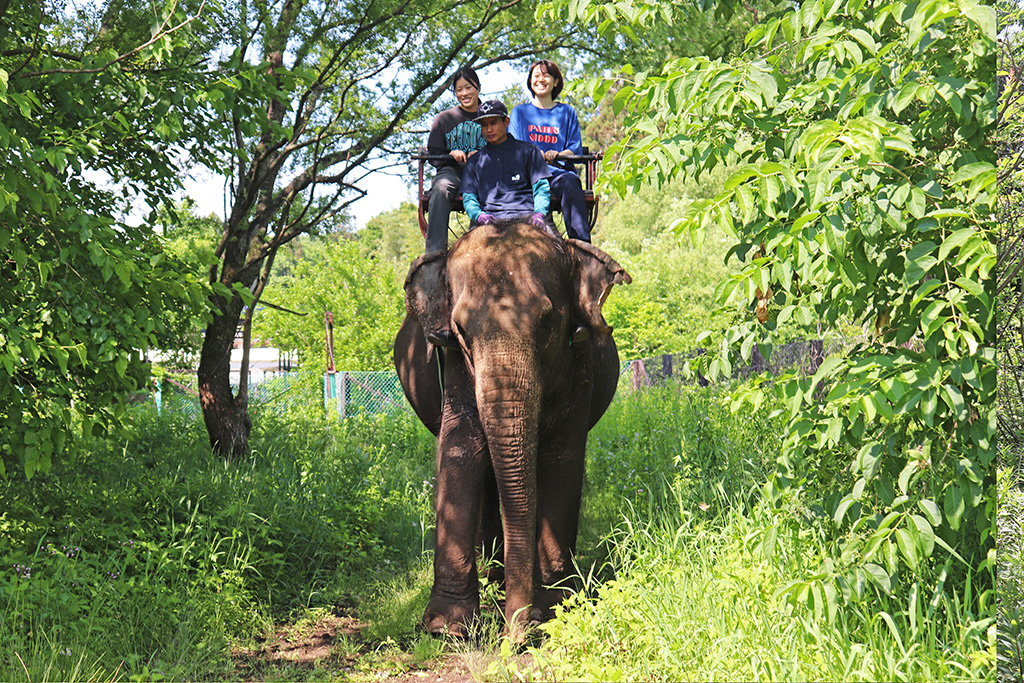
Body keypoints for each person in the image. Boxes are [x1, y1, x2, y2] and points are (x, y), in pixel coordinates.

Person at [509, 59, 591, 242]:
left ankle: (581, 244)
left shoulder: (567, 112)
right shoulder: (519, 112)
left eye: (546, 75)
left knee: (571, 183)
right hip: (527, 175)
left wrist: (558, 155)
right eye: (536, 76)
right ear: (530, 81)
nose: (540, 80)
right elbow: (512, 147)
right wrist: (532, 153)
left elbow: (574, 149)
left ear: (555, 82)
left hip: (557, 173)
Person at [459, 100, 553, 232]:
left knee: (558, 248)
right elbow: (469, 197)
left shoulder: (529, 151)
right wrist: (479, 215)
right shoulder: (474, 160)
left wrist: (539, 213)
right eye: (484, 125)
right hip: (488, 221)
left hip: (527, 217)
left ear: (506, 122)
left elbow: (541, 188)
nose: (489, 129)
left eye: (493, 123)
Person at [424, 66, 486, 253]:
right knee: (441, 188)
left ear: (478, 87)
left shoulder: (490, 116)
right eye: (459, 89)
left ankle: (478, 242)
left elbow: (504, 148)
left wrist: (482, 155)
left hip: (483, 173)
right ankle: (435, 251)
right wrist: (450, 155)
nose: (464, 93)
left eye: (468, 87)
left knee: (490, 188)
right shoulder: (444, 119)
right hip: (452, 172)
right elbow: (433, 155)